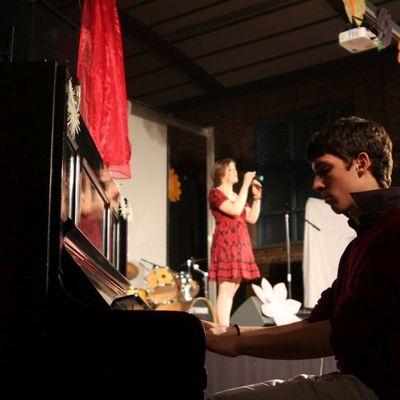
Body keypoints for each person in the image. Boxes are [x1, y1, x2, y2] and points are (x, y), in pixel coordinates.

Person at [203, 116, 400, 400]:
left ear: (361, 163)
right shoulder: (364, 240)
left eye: (325, 170)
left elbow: (340, 334)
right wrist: (230, 332)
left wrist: (238, 344)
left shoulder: (393, 231)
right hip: (359, 381)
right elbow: (316, 321)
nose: (317, 184)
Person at [208, 158, 263, 326]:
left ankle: (224, 327)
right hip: (226, 244)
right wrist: (245, 184)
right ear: (221, 174)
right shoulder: (216, 193)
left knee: (233, 288)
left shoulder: (237, 196)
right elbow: (234, 210)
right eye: (231, 170)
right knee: (226, 287)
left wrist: (257, 198)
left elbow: (251, 218)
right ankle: (222, 329)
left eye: (235, 169)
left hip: (240, 244)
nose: (235, 172)